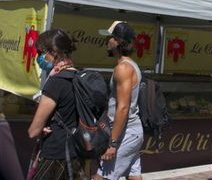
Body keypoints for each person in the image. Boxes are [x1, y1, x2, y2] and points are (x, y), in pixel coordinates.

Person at [27, 29, 85, 180]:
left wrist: (41, 128)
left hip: (55, 153)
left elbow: (33, 130)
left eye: (41, 52)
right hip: (75, 151)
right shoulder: (77, 76)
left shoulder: (55, 82)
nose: (39, 57)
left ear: (54, 52)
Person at [95, 21, 143, 180]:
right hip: (131, 131)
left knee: (101, 177)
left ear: (118, 41)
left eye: (109, 37)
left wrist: (113, 143)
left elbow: (123, 107)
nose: (106, 41)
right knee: (133, 176)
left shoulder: (123, 68)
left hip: (125, 133)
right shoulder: (130, 65)